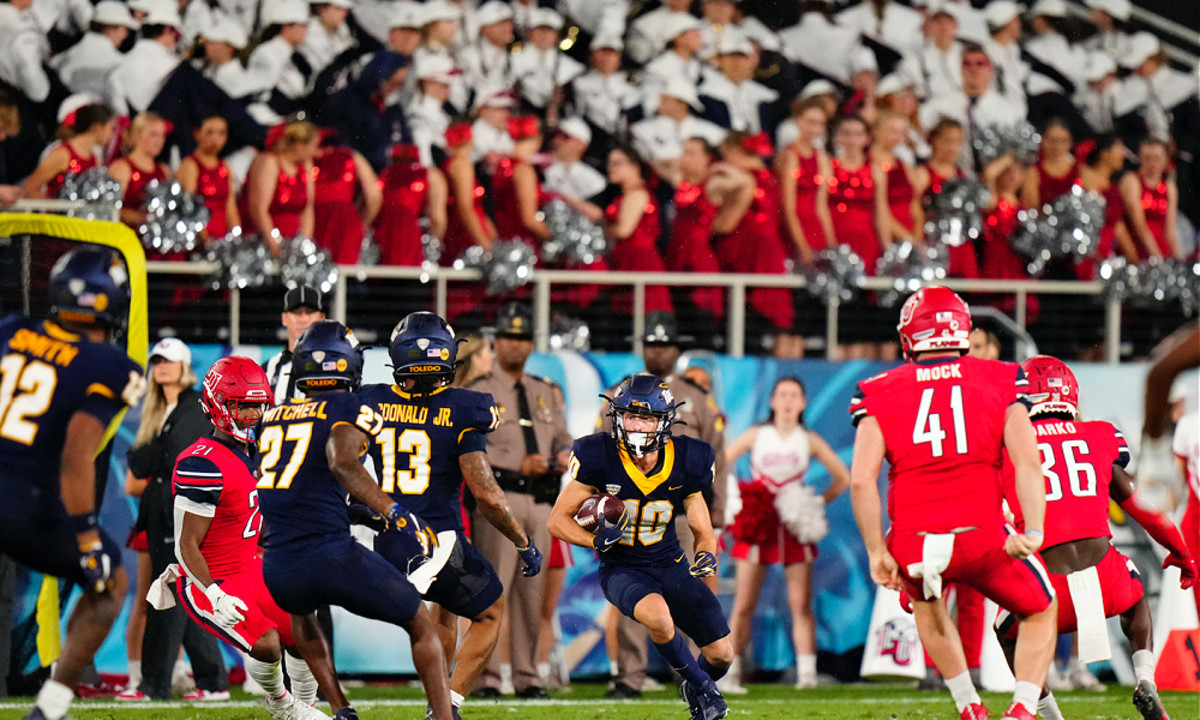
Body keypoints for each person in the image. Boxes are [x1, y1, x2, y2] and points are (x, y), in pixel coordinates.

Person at [848, 286, 1057, 720]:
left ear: (910, 336)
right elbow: (1027, 462)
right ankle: (1021, 708)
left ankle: (969, 706)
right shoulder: (1002, 378)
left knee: (927, 600)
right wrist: (1033, 529)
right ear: (962, 330)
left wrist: (875, 550)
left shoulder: (877, 390)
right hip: (982, 536)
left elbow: (860, 481)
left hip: (914, 540)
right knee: (1042, 608)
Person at [255, 321, 455, 720]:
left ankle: (341, 708)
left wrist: (357, 510)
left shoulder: (272, 416)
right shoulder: (348, 405)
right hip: (328, 554)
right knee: (419, 620)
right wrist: (392, 510)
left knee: (302, 616)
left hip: (278, 563)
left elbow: (295, 489)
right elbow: (342, 461)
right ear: (349, 364)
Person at [350, 313, 542, 715]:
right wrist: (522, 542)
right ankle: (447, 705)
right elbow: (487, 495)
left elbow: (343, 464)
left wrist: (358, 508)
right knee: (490, 611)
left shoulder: (372, 401)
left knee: (448, 607)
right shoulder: (465, 406)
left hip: (391, 537)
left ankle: (434, 701)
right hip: (439, 539)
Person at [997, 355, 1197, 720]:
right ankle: (1145, 679)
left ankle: (1049, 714)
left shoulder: (1008, 446)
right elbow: (1143, 508)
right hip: (1107, 580)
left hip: (1048, 590)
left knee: (1005, 630)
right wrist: (1181, 552)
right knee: (1136, 594)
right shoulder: (1100, 434)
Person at [0, 247, 144, 720]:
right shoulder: (109, 365)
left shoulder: (11, 330)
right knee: (111, 581)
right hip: (27, 503)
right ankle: (50, 707)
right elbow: (77, 454)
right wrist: (85, 534)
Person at [548, 373, 734, 720]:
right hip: (623, 568)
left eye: (646, 417)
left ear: (663, 422)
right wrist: (594, 540)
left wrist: (706, 552)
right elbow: (557, 520)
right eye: (630, 416)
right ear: (617, 417)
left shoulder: (687, 459)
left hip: (671, 564)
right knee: (659, 619)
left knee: (722, 654)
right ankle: (705, 692)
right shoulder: (599, 455)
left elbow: (702, 529)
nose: (636, 425)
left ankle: (695, 686)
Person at [159, 356, 327, 720]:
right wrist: (213, 594)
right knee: (266, 645)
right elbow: (186, 545)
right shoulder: (201, 463)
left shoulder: (260, 452)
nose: (252, 416)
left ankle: (307, 705)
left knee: (305, 626)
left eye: (257, 406)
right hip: (210, 578)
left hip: (251, 567)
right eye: (243, 406)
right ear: (218, 405)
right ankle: (282, 706)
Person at [599, 311, 729, 698]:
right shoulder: (622, 394)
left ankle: (688, 675)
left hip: (683, 510)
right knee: (633, 592)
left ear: (676, 348)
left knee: (688, 592)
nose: (658, 352)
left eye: (665, 344)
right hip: (632, 511)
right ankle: (630, 675)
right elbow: (603, 452)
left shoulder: (697, 398)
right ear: (643, 348)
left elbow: (715, 457)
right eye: (652, 344)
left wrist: (716, 505)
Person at [721, 376, 850, 693]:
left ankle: (807, 674)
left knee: (800, 603)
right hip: (759, 520)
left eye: (795, 395)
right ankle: (731, 673)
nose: (788, 400)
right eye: (782, 394)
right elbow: (720, 463)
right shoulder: (757, 434)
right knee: (743, 605)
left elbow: (842, 478)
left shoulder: (809, 439)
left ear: (804, 403)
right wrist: (736, 499)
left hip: (794, 524)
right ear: (773, 401)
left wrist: (815, 502)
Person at [468, 303, 570, 699]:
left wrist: (564, 454)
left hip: (542, 502)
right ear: (496, 342)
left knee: (532, 596)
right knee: (494, 593)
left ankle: (528, 676)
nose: (516, 345)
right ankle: (487, 677)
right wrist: (515, 464)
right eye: (509, 337)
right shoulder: (478, 392)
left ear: (531, 345)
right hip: (499, 501)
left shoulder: (544, 391)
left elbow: (562, 437)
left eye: (523, 338)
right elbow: (469, 452)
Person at [120, 338, 229, 702]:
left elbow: (174, 455)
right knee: (181, 593)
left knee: (169, 594)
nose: (161, 366)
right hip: (160, 513)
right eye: (157, 361)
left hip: (180, 511)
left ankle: (153, 684)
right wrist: (156, 455)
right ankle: (213, 682)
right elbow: (139, 464)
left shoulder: (191, 406)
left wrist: (155, 453)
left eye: (168, 360)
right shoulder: (158, 410)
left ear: (183, 366)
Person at [242, 121, 319, 255]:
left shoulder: (306, 165)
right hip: (263, 242)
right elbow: (259, 209)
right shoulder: (269, 162)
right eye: (313, 146)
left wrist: (303, 245)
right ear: (299, 146)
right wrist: (275, 245)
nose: (315, 151)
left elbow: (308, 208)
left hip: (293, 242)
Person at [21, 103, 116, 199]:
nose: (111, 135)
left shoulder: (95, 159)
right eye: (111, 129)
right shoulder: (63, 154)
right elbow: (29, 187)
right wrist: (57, 208)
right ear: (98, 127)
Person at [312, 138, 381, 265]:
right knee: (345, 276)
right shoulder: (351, 156)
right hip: (344, 223)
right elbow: (374, 196)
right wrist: (362, 225)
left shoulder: (306, 156)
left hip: (313, 221)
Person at [177, 115, 240, 242]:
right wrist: (204, 239)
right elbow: (188, 206)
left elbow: (230, 207)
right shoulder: (190, 165)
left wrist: (236, 236)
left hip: (221, 237)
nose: (216, 138)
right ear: (197, 134)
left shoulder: (224, 166)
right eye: (210, 132)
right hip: (199, 237)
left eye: (221, 133)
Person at [1120, 137, 1182, 260]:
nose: (1153, 163)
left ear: (1165, 160)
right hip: (1138, 247)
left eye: (1157, 158)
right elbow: (1139, 224)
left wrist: (1180, 260)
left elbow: (1170, 231)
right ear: (1140, 158)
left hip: (1160, 248)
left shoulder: (1169, 187)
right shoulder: (1132, 180)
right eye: (1147, 158)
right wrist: (1156, 257)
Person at [263, 286, 327, 403]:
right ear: (284, 318)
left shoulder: (337, 367)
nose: (303, 319)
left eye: (310, 312)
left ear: (322, 317)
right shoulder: (267, 371)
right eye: (296, 312)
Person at [109, 113, 172, 231]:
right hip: (128, 239)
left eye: (162, 135)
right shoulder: (122, 168)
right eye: (153, 135)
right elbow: (110, 210)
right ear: (137, 135)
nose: (159, 141)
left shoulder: (163, 170)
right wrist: (143, 218)